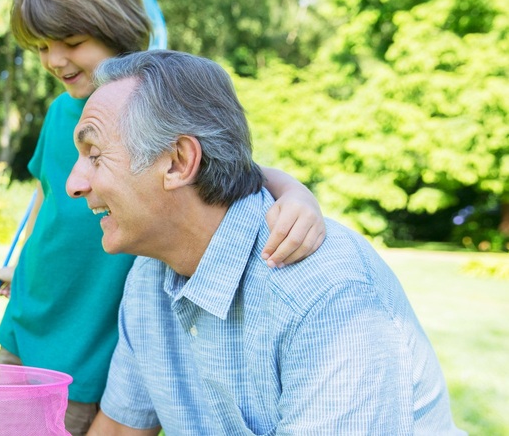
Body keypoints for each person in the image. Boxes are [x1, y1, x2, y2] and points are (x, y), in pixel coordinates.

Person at [0, 0, 326, 434]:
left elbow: (233, 171)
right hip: (31, 312)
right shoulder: (61, 113)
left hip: (87, 340)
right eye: (40, 47)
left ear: (114, 22)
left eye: (71, 42)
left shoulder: (159, 104)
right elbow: (47, 196)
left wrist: (297, 194)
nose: (53, 61)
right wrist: (23, 264)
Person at [65, 50, 465, 435]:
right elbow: (119, 429)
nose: (73, 184)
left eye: (95, 155)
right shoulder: (150, 276)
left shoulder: (327, 295)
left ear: (178, 162)